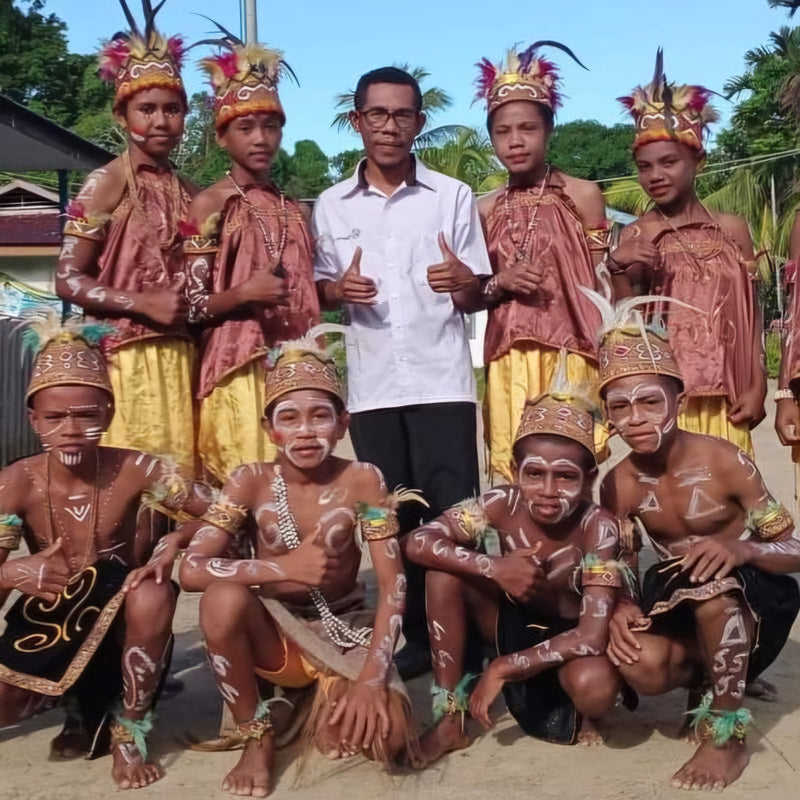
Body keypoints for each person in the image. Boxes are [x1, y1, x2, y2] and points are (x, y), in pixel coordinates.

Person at [178, 330, 419, 798]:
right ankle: (257, 735)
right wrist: (283, 569)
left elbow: (393, 588)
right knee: (222, 599)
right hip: (276, 635)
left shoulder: (363, 479)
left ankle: (324, 695)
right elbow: (192, 570)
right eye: (289, 418)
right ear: (271, 429)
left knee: (386, 740)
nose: (305, 430)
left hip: (345, 629)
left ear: (342, 423)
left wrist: (372, 678)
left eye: (319, 416)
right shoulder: (250, 479)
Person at [313, 66, 492, 679]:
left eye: (403, 115)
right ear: (357, 119)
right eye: (378, 114)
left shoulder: (453, 196)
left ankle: (472, 639)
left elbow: (474, 292)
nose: (390, 127)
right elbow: (316, 290)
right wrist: (337, 287)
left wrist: (465, 283)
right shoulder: (331, 205)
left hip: (443, 381)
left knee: (455, 514)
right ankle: (419, 637)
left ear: (419, 122)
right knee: (395, 520)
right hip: (373, 388)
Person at [592, 291, 800, 792]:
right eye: (619, 406)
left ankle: (726, 735)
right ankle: (710, 681)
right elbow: (616, 565)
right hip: (671, 595)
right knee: (637, 663)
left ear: (679, 402)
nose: (635, 417)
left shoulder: (726, 460)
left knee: (714, 586)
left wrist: (741, 548)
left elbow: (793, 549)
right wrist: (619, 605)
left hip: (749, 593)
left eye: (648, 401)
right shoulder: (616, 484)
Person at [0, 319, 206, 789]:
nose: (71, 429)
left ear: (108, 413)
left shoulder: (137, 467)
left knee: (152, 590)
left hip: (124, 620)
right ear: (34, 420)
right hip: (48, 623)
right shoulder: (15, 482)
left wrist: (175, 540)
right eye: (55, 418)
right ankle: (65, 695)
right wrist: (12, 573)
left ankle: (129, 727)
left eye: (86, 415)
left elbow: (224, 513)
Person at [403, 369, 624, 765]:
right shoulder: (500, 503)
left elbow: (591, 636)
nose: (548, 490)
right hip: (509, 620)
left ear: (590, 478)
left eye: (566, 476)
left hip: (569, 639)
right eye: (534, 474)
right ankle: (449, 720)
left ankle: (576, 708)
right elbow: (418, 542)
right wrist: (494, 567)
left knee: (595, 689)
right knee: (443, 571)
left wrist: (504, 667)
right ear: (513, 470)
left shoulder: (599, 526)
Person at [55, 0, 196, 472]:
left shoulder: (190, 192)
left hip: (183, 360)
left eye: (172, 109)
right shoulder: (105, 182)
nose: (160, 121)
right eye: (147, 109)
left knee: (182, 486)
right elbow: (68, 279)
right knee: (133, 486)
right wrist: (142, 303)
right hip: (123, 360)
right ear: (122, 115)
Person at [610, 50, 766, 456]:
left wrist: (758, 382)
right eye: (645, 167)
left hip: (727, 398)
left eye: (668, 162)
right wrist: (620, 269)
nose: (655, 176)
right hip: (665, 401)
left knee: (732, 503)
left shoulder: (731, 229)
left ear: (698, 160)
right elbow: (625, 324)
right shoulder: (638, 233)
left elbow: (750, 315)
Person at [184, 31, 320, 484]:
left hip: (297, 367)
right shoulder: (210, 203)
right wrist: (245, 293)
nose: (260, 138)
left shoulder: (295, 209)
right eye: (245, 127)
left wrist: (337, 291)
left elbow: (305, 293)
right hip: (236, 369)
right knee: (245, 492)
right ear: (222, 136)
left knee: (299, 498)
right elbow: (191, 304)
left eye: (271, 126)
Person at [475, 41, 610, 481]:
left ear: (549, 128)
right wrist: (501, 281)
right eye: (502, 132)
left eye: (527, 128)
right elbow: (476, 291)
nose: (515, 141)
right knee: (517, 468)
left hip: (573, 350)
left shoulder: (582, 195)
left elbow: (603, 283)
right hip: (508, 354)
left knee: (573, 464)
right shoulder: (484, 208)